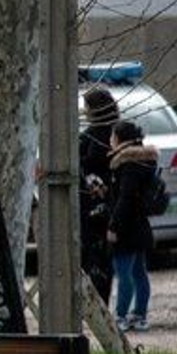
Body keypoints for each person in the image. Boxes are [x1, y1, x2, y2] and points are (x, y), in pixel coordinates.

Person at [108, 119, 158, 332]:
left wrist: (113, 226)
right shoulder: (146, 162)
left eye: (112, 136)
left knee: (124, 272)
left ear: (119, 139)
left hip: (127, 228)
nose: (110, 141)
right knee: (139, 272)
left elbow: (125, 199)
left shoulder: (127, 165)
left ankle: (120, 315)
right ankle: (140, 314)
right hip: (141, 225)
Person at [79, 87, 120, 302]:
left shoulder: (91, 138)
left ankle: (95, 303)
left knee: (93, 260)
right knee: (104, 261)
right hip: (110, 206)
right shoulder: (119, 132)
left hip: (93, 208)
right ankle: (100, 304)